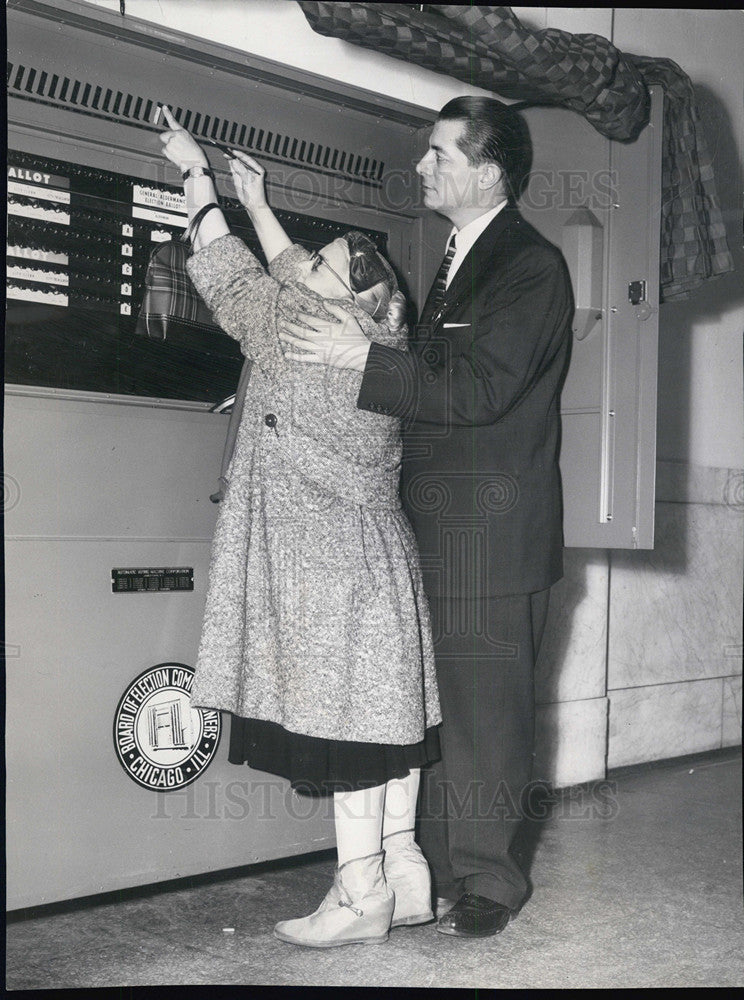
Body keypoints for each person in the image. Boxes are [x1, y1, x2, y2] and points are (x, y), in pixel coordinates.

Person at [279, 96, 574, 939]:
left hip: (491, 536)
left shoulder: (531, 265)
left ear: (487, 169)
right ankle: (433, 871)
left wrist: (361, 359)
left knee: (486, 713)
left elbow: (480, 391)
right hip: (431, 524)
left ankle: (490, 881)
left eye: (439, 154)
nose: (423, 168)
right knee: (433, 710)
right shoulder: (451, 258)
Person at [156, 106, 441, 947]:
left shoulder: (300, 334)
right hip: (380, 558)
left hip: (322, 568)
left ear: (340, 297)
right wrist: (265, 206)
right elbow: (295, 276)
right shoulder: (379, 340)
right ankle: (406, 872)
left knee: (353, 734)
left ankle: (358, 899)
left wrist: (198, 177)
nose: (302, 264)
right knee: (391, 727)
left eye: (319, 262)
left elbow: (236, 282)